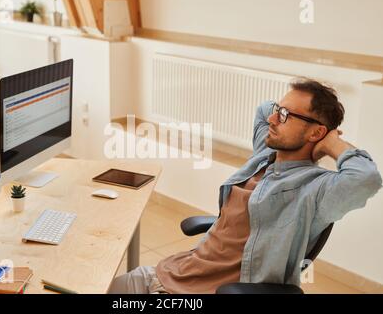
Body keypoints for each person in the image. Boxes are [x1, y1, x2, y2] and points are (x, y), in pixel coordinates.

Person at [109, 78, 382, 294]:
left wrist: (333, 143)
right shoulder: (266, 154)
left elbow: (366, 178)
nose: (273, 119)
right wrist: (286, 111)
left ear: (316, 132)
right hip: (174, 272)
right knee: (89, 286)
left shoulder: (315, 189)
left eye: (285, 115)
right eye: (279, 110)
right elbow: (264, 108)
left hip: (203, 292)